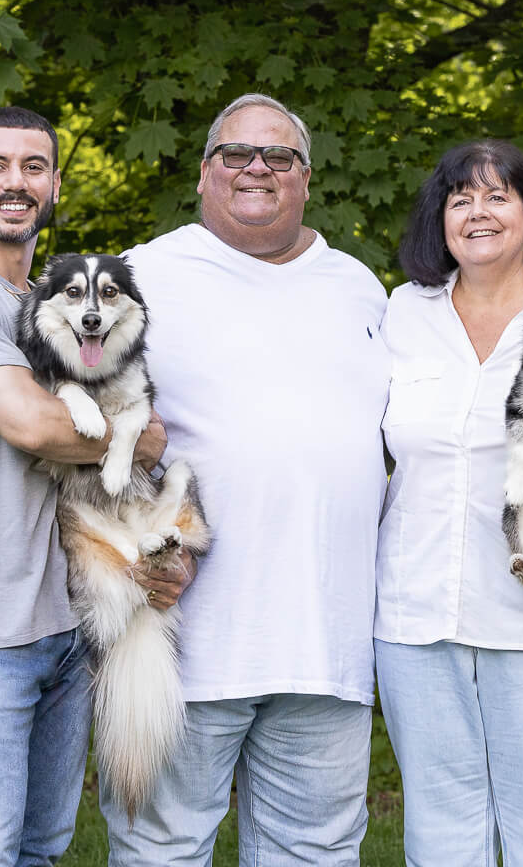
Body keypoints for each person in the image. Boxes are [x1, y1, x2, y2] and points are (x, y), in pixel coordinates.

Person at [0, 105, 187, 867]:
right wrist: (141, 433)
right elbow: (35, 425)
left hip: (61, 616)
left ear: (54, 183)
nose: (14, 183)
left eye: (32, 167)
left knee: (41, 849)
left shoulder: (46, 307)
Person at [99, 94, 392, 866]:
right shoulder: (140, 277)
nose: (257, 168)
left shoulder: (360, 287)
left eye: (279, 157)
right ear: (204, 173)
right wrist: (125, 552)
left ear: (306, 177)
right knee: (162, 850)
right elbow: (73, 433)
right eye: (236, 153)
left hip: (326, 643)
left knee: (318, 851)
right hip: (182, 632)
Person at [376, 140, 523, 865]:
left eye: (497, 196)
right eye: (460, 198)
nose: (477, 212)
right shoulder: (402, 314)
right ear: (440, 219)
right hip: (414, 616)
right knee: (441, 835)